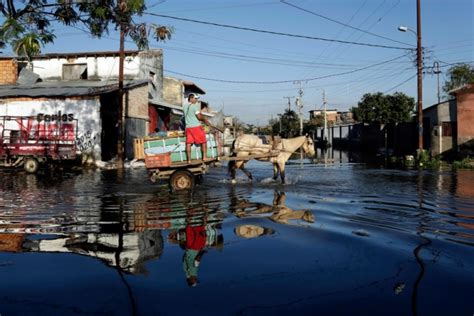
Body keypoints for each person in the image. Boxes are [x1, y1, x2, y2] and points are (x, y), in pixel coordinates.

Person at [183, 93, 209, 164]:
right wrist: (205, 120)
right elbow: (199, 117)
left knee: (188, 143)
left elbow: (185, 117)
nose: (197, 100)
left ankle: (189, 160)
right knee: (203, 141)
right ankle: (204, 157)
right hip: (196, 127)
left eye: (197, 98)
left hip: (188, 127)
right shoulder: (195, 106)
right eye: (195, 98)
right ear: (191, 99)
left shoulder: (184, 106)